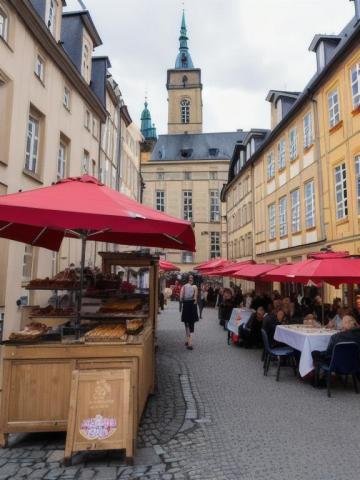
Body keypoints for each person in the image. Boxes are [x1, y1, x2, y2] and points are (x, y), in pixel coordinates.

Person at [180, 275, 198, 350]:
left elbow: (181, 298)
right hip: (192, 306)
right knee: (191, 324)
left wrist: (184, 300)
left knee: (187, 324)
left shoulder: (183, 287)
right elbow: (195, 298)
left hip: (186, 306)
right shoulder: (195, 287)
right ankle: (189, 342)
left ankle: (189, 341)